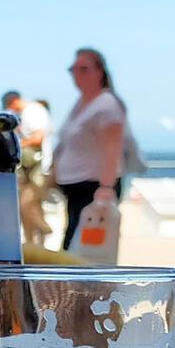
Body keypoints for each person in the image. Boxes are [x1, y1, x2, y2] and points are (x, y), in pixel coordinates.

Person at [48, 47, 126, 252]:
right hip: (75, 188)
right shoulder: (82, 103)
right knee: (74, 246)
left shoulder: (106, 104)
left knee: (85, 249)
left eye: (83, 69)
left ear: (99, 72)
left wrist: (106, 187)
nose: (77, 75)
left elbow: (112, 147)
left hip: (93, 187)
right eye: (73, 69)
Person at [3, 89, 54, 247]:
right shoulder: (28, 113)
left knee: (27, 204)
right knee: (31, 206)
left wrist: (18, 144)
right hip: (30, 170)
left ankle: (44, 230)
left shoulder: (32, 112)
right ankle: (33, 243)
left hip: (38, 169)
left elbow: (38, 138)